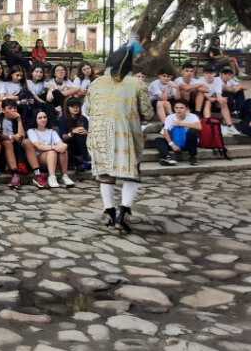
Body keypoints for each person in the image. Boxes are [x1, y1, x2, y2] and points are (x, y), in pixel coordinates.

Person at [86, 44, 154, 233]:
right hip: (125, 134)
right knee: (130, 173)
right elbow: (147, 112)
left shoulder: (95, 83)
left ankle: (109, 211)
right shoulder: (137, 84)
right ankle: (123, 212)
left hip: (99, 135)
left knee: (105, 175)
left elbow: (88, 109)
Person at [0, 99, 42, 190]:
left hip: (17, 144)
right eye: (9, 108)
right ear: (3, 110)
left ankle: (37, 174)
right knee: (8, 142)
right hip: (4, 146)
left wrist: (19, 120)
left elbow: (21, 136)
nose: (13, 110)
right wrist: (11, 137)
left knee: (27, 141)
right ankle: (15, 174)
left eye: (15, 108)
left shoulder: (17, 119)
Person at [27, 111, 76, 188]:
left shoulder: (51, 131)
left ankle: (64, 176)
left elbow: (60, 142)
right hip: (40, 159)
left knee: (63, 150)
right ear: (35, 119)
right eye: (40, 118)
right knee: (52, 152)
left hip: (53, 159)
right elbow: (38, 146)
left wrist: (63, 146)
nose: (43, 119)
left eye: (44, 117)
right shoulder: (32, 131)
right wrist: (53, 147)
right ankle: (52, 177)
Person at [155, 99, 201, 167]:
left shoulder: (192, 116)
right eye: (177, 108)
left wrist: (181, 124)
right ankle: (166, 157)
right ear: (174, 109)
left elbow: (199, 127)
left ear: (187, 109)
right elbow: (165, 132)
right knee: (158, 140)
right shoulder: (170, 117)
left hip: (187, 143)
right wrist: (172, 144)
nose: (179, 110)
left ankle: (192, 156)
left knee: (192, 131)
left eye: (181, 108)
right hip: (175, 142)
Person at [58, 97, 91, 172]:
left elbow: (90, 135)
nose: (75, 108)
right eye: (72, 106)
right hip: (69, 145)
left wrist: (86, 133)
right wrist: (72, 132)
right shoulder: (63, 119)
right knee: (65, 146)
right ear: (68, 108)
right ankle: (82, 164)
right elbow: (63, 137)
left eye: (77, 106)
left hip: (82, 145)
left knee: (80, 133)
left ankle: (85, 161)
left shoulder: (83, 119)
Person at [200, 65, 234, 131]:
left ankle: (230, 125)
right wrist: (215, 99)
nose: (209, 75)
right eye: (207, 73)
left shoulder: (217, 80)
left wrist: (221, 99)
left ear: (215, 74)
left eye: (211, 73)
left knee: (223, 102)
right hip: (202, 101)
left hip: (213, 99)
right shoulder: (200, 80)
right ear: (203, 73)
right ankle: (209, 125)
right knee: (208, 102)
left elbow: (218, 94)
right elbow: (205, 96)